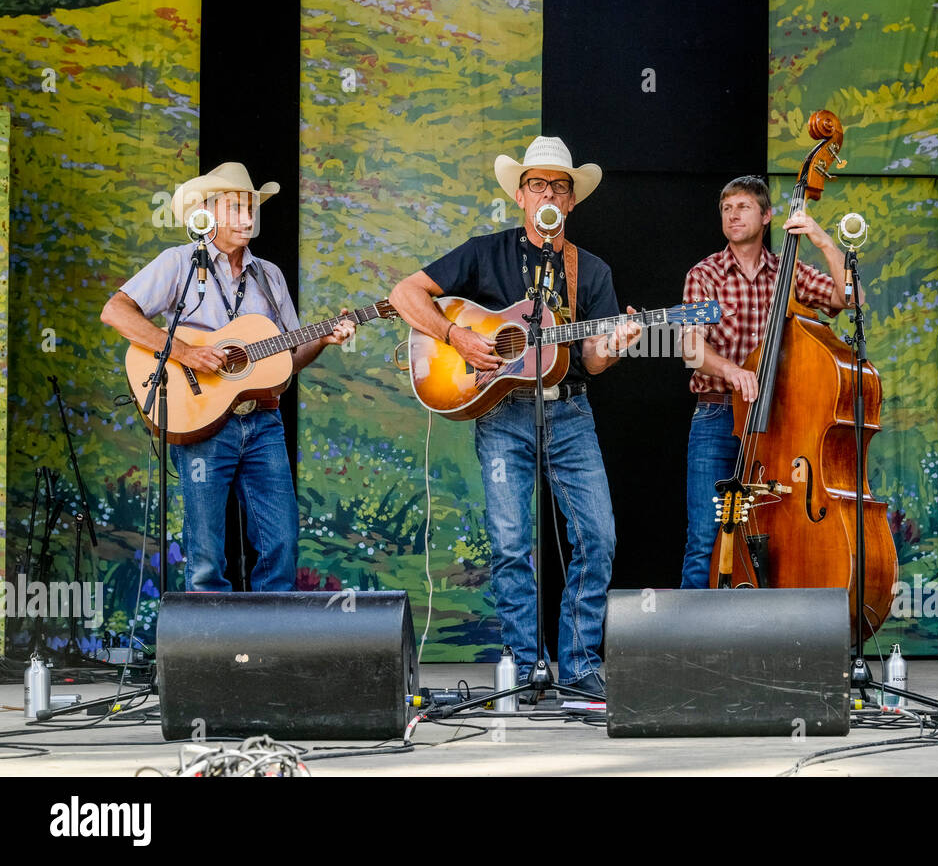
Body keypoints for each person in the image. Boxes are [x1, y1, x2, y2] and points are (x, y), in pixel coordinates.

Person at [387, 136, 640, 696]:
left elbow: (593, 362)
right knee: (509, 542)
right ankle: (527, 665)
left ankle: (579, 663)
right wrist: (456, 335)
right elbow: (406, 293)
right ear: (521, 197)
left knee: (598, 536)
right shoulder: (484, 252)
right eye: (537, 184)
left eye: (558, 186)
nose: (548, 193)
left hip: (570, 413)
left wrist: (618, 342)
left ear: (571, 202)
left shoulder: (590, 270)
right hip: (501, 412)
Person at [101, 162, 355, 592]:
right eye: (236, 206)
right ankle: (209, 654)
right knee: (205, 553)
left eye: (251, 206)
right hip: (199, 420)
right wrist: (188, 353)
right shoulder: (180, 263)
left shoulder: (269, 276)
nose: (248, 216)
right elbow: (116, 311)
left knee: (281, 543)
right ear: (208, 213)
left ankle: (271, 649)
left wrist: (324, 339)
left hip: (262, 423)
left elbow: (283, 362)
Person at [678, 175, 857, 589]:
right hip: (718, 414)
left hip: (778, 420)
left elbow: (850, 300)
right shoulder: (704, 274)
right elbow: (691, 350)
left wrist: (824, 242)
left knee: (777, 530)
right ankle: (692, 646)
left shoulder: (788, 271)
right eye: (726, 209)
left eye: (742, 207)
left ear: (767, 215)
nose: (733, 215)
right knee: (706, 534)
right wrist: (734, 370)